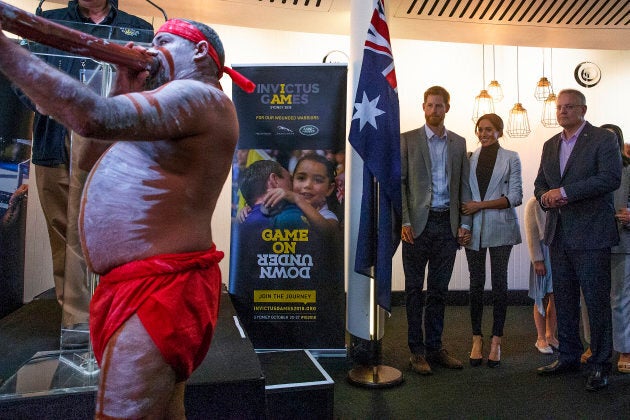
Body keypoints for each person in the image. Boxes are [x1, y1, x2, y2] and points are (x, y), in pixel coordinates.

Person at [0, 16, 249, 417]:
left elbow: (91, 116)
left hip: (160, 286)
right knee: (164, 409)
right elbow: (87, 158)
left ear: (200, 52)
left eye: (164, 40)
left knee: (124, 412)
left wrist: (8, 53)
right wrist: (122, 88)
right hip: (142, 283)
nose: (150, 51)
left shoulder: (202, 96)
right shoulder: (169, 109)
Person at [17, 0, 153, 346]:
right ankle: (77, 324)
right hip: (56, 136)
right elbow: (22, 74)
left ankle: (117, 315)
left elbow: (150, 88)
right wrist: (38, 98)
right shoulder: (47, 21)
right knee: (65, 234)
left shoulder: (138, 29)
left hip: (112, 143)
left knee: (111, 232)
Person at [534, 89, 621, 391]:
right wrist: (545, 199)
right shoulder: (549, 145)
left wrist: (566, 193)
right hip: (558, 235)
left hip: (592, 235)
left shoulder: (602, 139)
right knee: (566, 301)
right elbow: (540, 185)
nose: (562, 112)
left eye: (569, 107)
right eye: (559, 107)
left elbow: (611, 178)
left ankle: (599, 363)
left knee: (596, 304)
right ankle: (568, 356)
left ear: (583, 109)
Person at [400, 85, 472, 375]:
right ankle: (416, 351)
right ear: (423, 107)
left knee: (439, 291)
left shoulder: (458, 142)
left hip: (447, 225)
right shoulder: (407, 140)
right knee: (414, 290)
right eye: (429, 105)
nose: (434, 111)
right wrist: (405, 220)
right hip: (417, 225)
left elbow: (464, 185)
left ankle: (435, 347)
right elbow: (401, 184)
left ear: (447, 108)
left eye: (439, 106)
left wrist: (465, 223)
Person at [461, 113, 523, 368]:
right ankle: (477, 338)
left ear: (499, 131)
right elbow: (463, 197)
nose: (483, 134)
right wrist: (463, 224)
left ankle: (496, 340)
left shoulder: (511, 157)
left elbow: (516, 196)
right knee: (475, 284)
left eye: (489, 129)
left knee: (499, 283)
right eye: (480, 129)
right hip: (473, 228)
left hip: (502, 228)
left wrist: (480, 205)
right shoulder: (469, 158)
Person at [602, 123, 630, 374]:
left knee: (619, 299)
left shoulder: (629, 169)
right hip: (591, 244)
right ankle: (594, 347)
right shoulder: (588, 170)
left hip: (622, 242)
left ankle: (625, 348)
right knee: (589, 300)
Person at [258, 152, 341, 235]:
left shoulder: (327, 215)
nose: (307, 185)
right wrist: (252, 208)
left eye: (318, 180)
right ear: (292, 181)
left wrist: (298, 199)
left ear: (329, 189)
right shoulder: (286, 203)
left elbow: (328, 231)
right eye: (301, 178)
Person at [524, 196, 559, 355]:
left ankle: (550, 335)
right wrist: (537, 260)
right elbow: (531, 233)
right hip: (542, 256)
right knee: (541, 296)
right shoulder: (534, 203)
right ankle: (540, 337)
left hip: (558, 254)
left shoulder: (561, 200)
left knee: (556, 297)